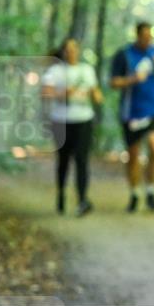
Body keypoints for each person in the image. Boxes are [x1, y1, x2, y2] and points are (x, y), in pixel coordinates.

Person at [110, 21, 154, 212]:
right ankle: (135, 193)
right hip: (131, 112)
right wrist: (132, 79)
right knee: (134, 155)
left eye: (150, 37)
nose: (148, 40)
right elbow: (113, 82)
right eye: (144, 37)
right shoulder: (125, 55)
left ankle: (151, 190)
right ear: (137, 36)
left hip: (153, 109)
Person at [41, 37, 102, 216]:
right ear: (63, 51)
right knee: (64, 160)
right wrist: (62, 93)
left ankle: (82, 199)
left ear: (78, 50)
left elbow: (95, 92)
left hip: (84, 120)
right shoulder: (55, 70)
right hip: (61, 121)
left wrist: (97, 96)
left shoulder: (86, 70)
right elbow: (45, 93)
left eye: (74, 48)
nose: (71, 52)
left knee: (82, 161)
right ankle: (61, 194)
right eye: (68, 49)